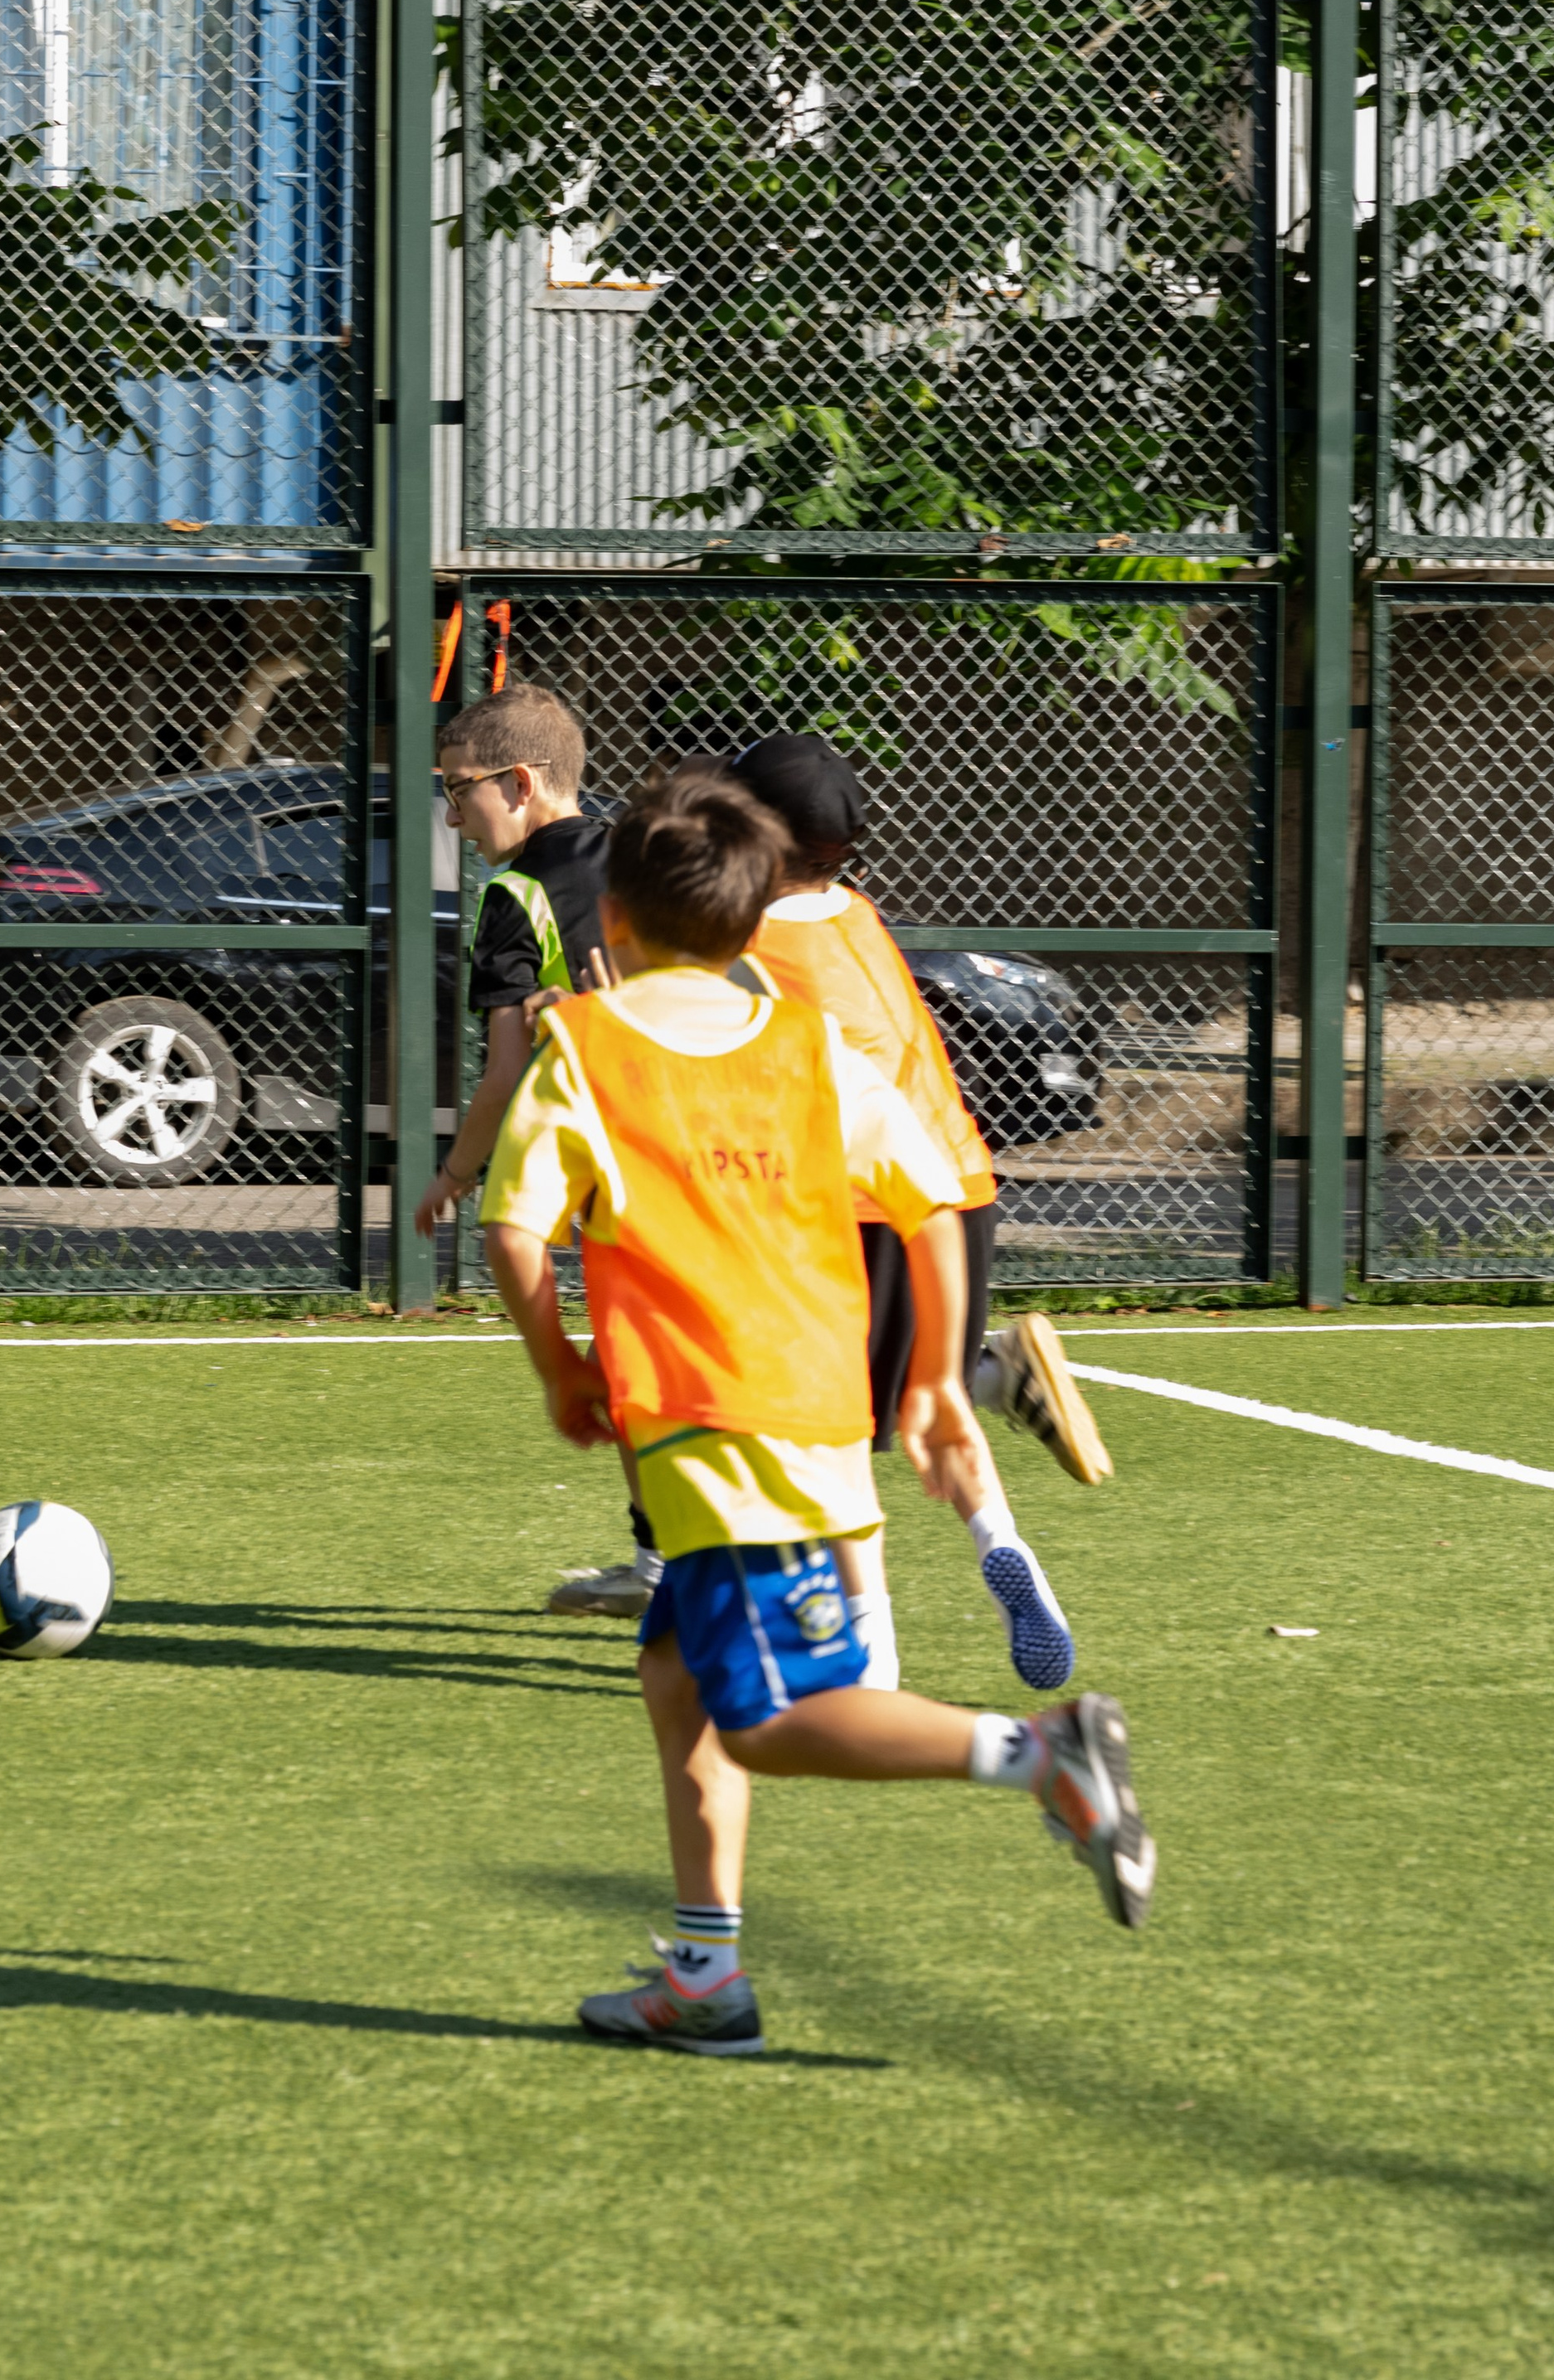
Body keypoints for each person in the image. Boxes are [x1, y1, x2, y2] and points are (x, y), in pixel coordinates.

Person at [478, 768, 1155, 2058]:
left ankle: (1046, 1756)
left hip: (722, 1435)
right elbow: (933, 1194)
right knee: (677, 1679)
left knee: (771, 1721)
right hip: (806, 1410)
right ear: (753, 924)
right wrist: (943, 1377)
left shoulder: (587, 1050)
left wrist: (560, 1365)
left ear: (609, 919)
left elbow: (516, 1234)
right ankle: (704, 1977)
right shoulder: (807, 1048)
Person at [730, 731, 1111, 1698]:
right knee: (928, 1401)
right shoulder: (857, 914)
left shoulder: (747, 941)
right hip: (958, 1188)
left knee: (829, 1438)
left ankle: (871, 1649)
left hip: (853, 1207)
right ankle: (1001, 1539)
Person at [410, 681, 658, 1620]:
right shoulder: (650, 854)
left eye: (458, 788)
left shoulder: (513, 897)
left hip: (619, 1162)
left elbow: (504, 1076)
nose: (451, 814)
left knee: (633, 1360)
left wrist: (454, 1175)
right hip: (724, 1137)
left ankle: (672, 1570)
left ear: (518, 785)